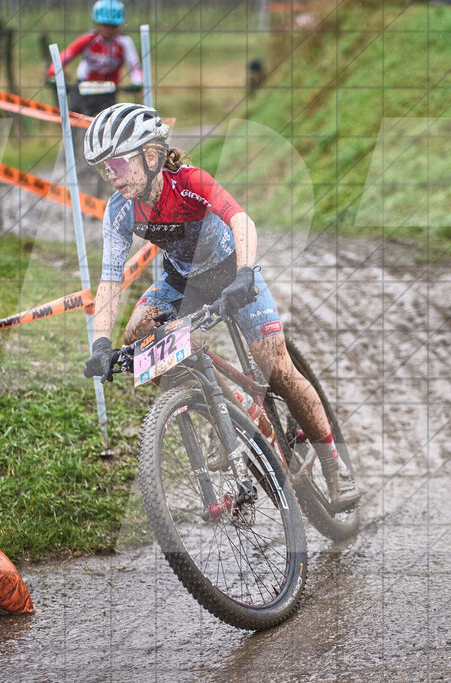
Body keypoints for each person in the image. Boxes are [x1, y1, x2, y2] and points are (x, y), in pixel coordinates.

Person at [81, 103, 361, 511]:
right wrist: (101, 344)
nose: (111, 175)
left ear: (152, 156)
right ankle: (224, 407)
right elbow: (109, 280)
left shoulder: (189, 181)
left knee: (277, 369)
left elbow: (240, 220)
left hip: (232, 273)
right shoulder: (119, 211)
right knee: (138, 339)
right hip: (182, 283)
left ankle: (334, 468)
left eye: (119, 163)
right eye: (104, 167)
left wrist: (245, 273)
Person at [46, 0, 143, 116]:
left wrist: (137, 82)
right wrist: (52, 73)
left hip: (108, 91)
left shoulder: (124, 43)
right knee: (76, 120)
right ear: (97, 23)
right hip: (83, 88)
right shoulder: (88, 39)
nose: (109, 30)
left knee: (107, 126)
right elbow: (67, 55)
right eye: (105, 25)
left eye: (113, 26)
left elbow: (134, 65)